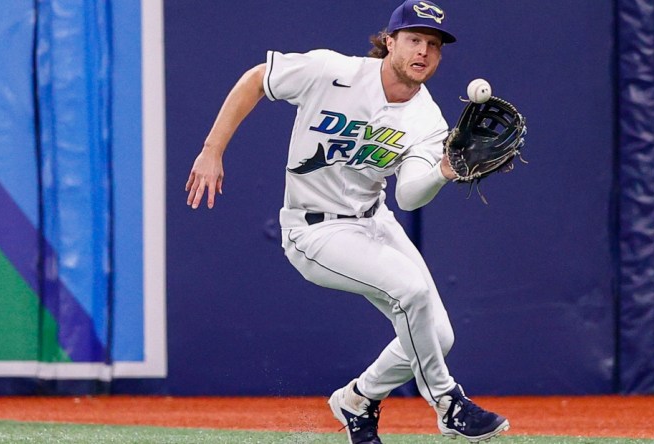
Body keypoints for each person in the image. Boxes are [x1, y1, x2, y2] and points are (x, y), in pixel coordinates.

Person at [185, 1, 510, 442]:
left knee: (437, 335)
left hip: (374, 220)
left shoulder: (426, 118)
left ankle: (358, 398)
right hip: (312, 230)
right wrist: (212, 149)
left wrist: (443, 171)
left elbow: (409, 194)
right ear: (389, 41)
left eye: (433, 45)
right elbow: (256, 80)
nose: (424, 52)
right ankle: (447, 401)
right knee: (410, 293)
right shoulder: (331, 71)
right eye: (414, 39)